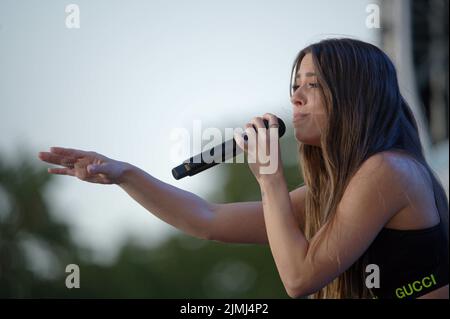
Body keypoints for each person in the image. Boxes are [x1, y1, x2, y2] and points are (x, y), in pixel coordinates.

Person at [38, 38, 449, 299]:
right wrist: (125, 174)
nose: (296, 98)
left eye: (313, 84)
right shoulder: (341, 190)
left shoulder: (389, 171)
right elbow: (207, 219)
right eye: (295, 86)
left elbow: (300, 279)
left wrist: (269, 177)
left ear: (354, 96)